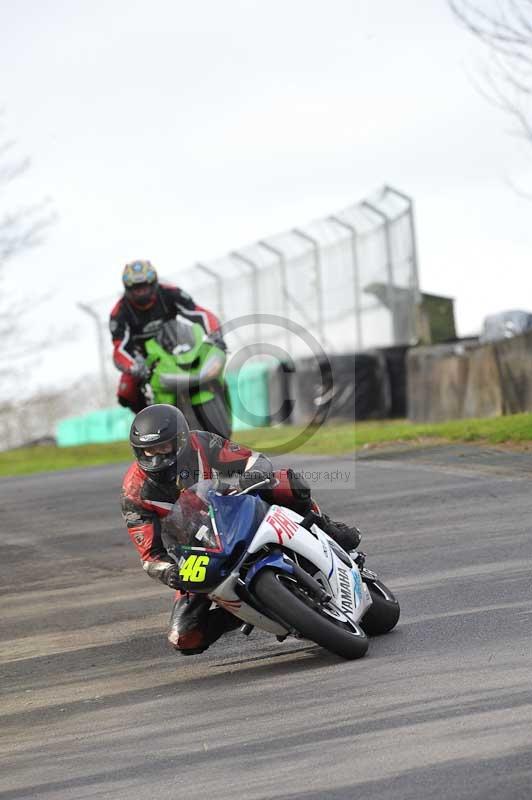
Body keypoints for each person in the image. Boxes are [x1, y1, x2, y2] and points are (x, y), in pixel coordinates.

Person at [121, 404, 362, 656]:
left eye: (163, 448)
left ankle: (325, 527)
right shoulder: (134, 493)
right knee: (184, 637)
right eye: (148, 451)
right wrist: (170, 572)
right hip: (196, 552)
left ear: (181, 440)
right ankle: (241, 613)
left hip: (230, 510)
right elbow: (150, 556)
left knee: (284, 482)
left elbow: (253, 459)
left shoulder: (201, 443)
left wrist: (252, 475)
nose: (156, 458)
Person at [109, 260, 225, 413]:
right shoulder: (119, 312)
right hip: (143, 358)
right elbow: (120, 348)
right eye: (136, 289)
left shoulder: (170, 293)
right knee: (126, 393)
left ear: (154, 282)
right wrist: (134, 366)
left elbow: (200, 313)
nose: (141, 292)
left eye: (145, 286)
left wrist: (215, 334)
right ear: (128, 288)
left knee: (211, 356)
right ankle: (151, 424)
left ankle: (219, 393)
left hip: (177, 345)